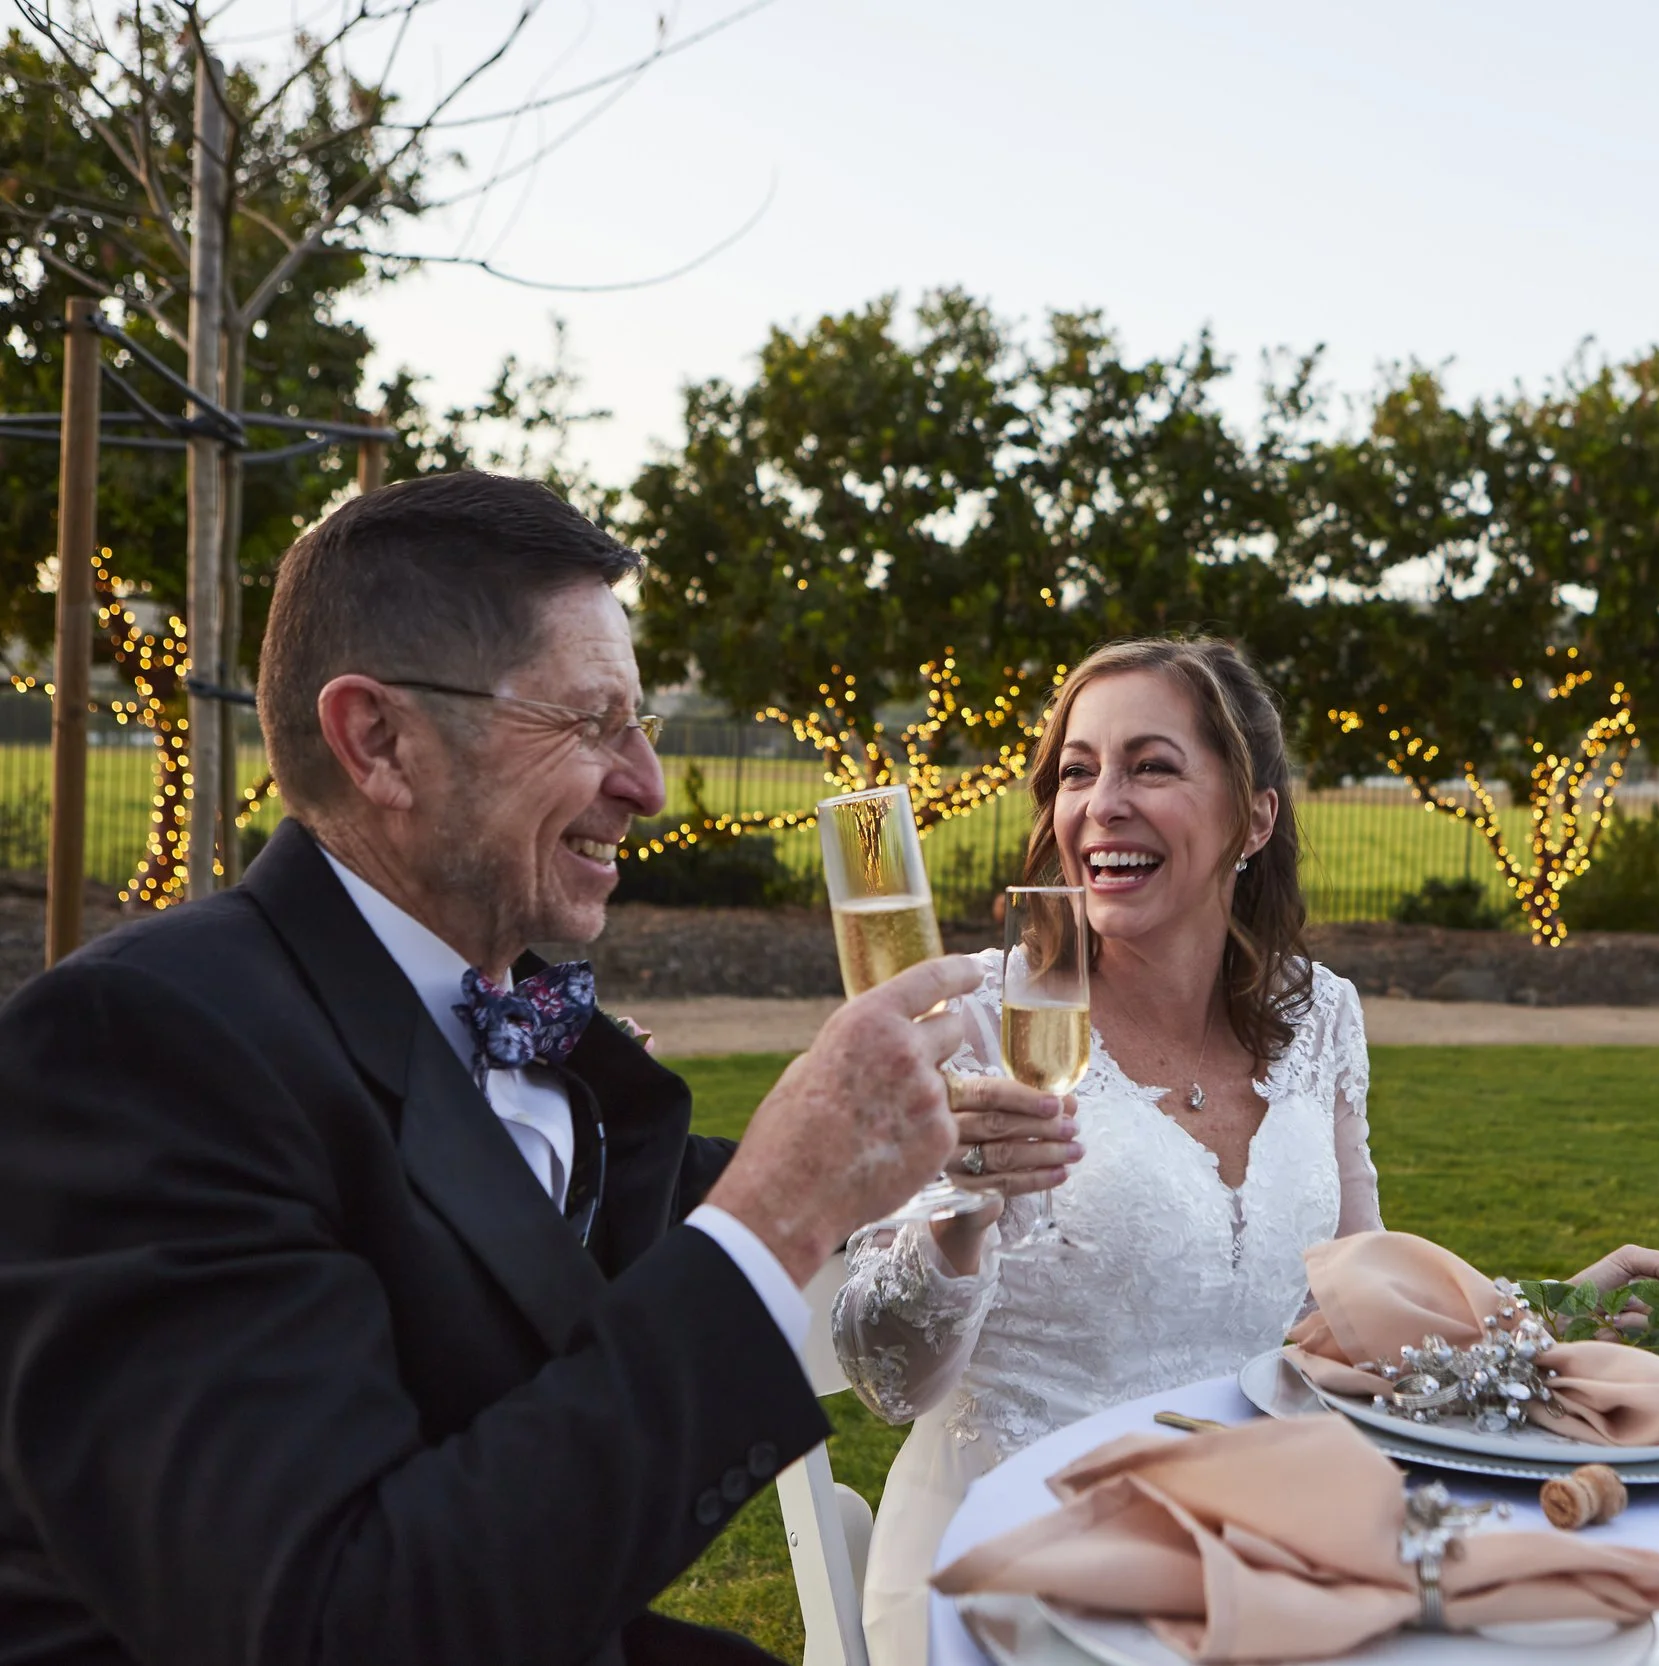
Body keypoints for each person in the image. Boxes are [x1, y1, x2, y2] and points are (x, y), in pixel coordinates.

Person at [0, 473, 1053, 1666]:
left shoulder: (512, 1035)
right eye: (591, 724)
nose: (648, 785)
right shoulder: (140, 1048)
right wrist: (785, 1209)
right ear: (379, 741)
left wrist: (925, 1159)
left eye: (642, 726)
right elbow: (338, 1623)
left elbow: (666, 1207)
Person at [829, 637, 1659, 1666]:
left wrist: (1554, 1314)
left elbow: (1358, 1320)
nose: (1102, 804)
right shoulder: (973, 1025)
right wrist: (962, 1208)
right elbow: (885, 1379)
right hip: (1009, 1558)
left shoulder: (1320, 1017)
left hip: (1248, 1553)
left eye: (1150, 766)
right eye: (1077, 771)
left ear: (1254, 818)